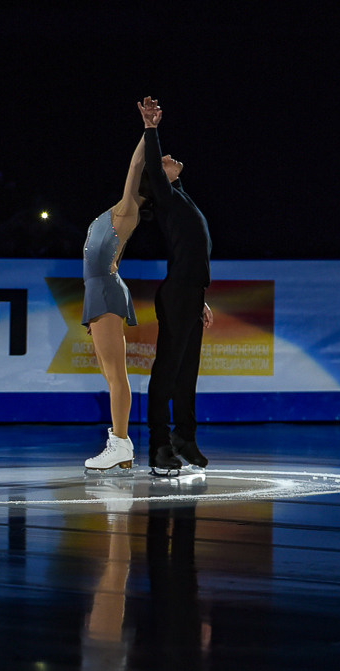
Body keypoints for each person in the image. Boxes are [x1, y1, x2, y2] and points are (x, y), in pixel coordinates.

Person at [137, 97, 213, 474]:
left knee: (187, 372)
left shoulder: (180, 196)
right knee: (167, 370)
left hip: (190, 292)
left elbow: (196, 251)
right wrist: (151, 129)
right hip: (177, 293)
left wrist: (201, 295)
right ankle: (158, 445)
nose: (169, 159)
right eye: (164, 163)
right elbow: (152, 163)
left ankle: (185, 436)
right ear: (157, 179)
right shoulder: (166, 199)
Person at [82, 131, 147, 471]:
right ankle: (122, 444)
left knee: (116, 375)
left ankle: (120, 443)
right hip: (99, 293)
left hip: (105, 291)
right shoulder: (112, 215)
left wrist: (148, 130)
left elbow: (136, 164)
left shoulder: (126, 212)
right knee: (111, 375)